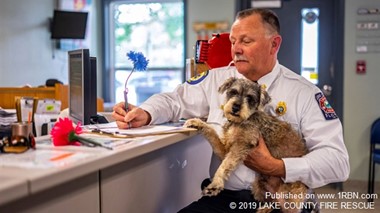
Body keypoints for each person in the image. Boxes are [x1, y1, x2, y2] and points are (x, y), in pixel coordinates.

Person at [112, 8, 349, 213]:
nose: (236, 49)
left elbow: (337, 162)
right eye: (233, 41)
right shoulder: (217, 80)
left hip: (282, 199)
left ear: (274, 44)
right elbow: (174, 100)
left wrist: (278, 167)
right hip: (225, 199)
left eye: (246, 41)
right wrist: (147, 112)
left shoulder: (304, 93)